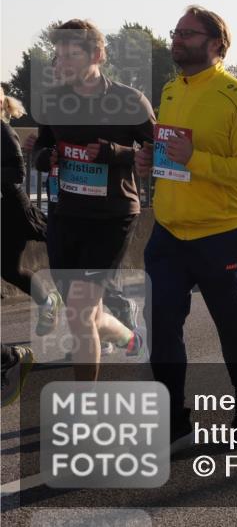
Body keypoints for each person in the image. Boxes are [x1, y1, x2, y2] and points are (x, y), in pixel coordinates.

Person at [135, 6, 237, 451]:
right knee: (160, 325)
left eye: (187, 33)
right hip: (169, 232)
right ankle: (174, 418)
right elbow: (173, 159)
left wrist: (193, 158)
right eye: (176, 31)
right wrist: (152, 162)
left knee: (232, 325)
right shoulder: (171, 90)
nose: (176, 39)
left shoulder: (236, 96)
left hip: (223, 230)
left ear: (215, 44)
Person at [29, 20, 152, 380]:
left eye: (72, 53)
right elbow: (41, 148)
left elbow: (157, 152)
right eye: (59, 53)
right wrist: (44, 158)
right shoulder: (52, 100)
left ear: (97, 54)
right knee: (86, 315)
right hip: (66, 216)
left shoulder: (129, 100)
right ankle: (130, 339)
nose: (63, 60)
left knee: (81, 312)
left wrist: (115, 153)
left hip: (111, 217)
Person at [1, 89, 57, 336]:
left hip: (12, 210)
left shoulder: (3, 131)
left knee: (9, 269)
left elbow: (18, 173)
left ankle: (48, 303)